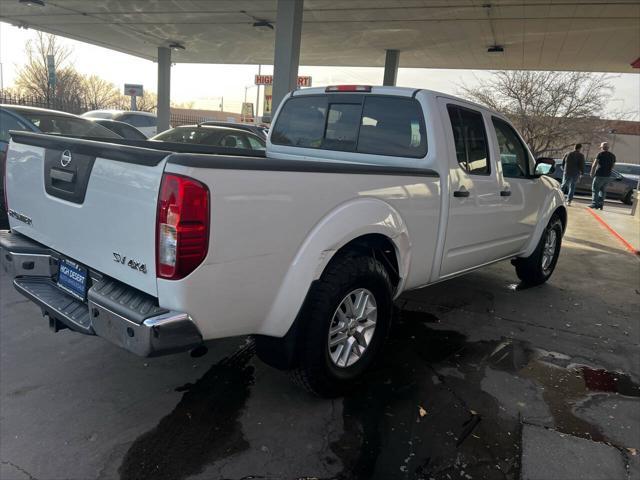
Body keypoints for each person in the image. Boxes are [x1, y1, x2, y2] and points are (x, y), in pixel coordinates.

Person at [590, 142, 616, 210]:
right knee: (603, 190)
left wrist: (592, 172)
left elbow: (594, 164)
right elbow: (613, 166)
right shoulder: (612, 155)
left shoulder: (600, 154)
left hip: (599, 174)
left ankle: (594, 203)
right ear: (608, 148)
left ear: (602, 148)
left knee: (595, 189)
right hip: (607, 176)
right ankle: (600, 204)